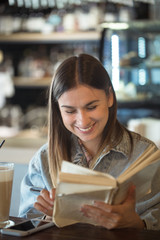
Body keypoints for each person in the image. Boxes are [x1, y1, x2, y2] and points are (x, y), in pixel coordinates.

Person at [19, 53, 160, 230]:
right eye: (70, 111)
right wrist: (47, 217)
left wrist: (138, 225)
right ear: (58, 110)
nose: (83, 121)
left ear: (109, 97)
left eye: (91, 107)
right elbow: (25, 224)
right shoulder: (43, 160)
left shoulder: (145, 156)